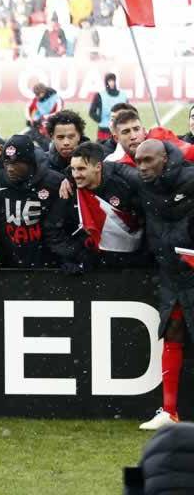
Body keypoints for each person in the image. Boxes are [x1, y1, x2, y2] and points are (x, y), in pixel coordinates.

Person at [110, 140, 194, 430]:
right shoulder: (144, 181)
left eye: (148, 161)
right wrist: (72, 178)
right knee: (172, 331)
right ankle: (169, 411)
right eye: (138, 161)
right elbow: (109, 171)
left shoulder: (190, 177)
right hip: (173, 274)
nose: (142, 167)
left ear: (164, 159)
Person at [0, 134, 79, 271]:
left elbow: (66, 225)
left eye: (16, 163)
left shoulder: (54, 183)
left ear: (29, 163)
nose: (10, 168)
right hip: (6, 265)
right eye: (7, 163)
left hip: (47, 265)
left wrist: (67, 257)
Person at [67, 141, 146, 269]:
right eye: (72, 169)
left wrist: (142, 256)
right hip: (94, 263)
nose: (75, 175)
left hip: (132, 260)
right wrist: (77, 256)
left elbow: (145, 219)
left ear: (98, 167)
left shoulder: (123, 185)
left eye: (81, 169)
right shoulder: (69, 189)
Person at [89, 72, 128, 142]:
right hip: (104, 130)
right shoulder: (100, 95)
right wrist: (99, 119)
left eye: (113, 80)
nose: (111, 83)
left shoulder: (123, 95)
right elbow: (92, 112)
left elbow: (128, 111)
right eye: (109, 81)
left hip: (119, 129)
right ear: (106, 82)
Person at [25, 83, 63, 149]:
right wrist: (29, 118)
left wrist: (46, 117)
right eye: (35, 95)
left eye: (38, 94)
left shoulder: (56, 98)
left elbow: (58, 112)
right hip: (39, 126)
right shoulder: (36, 99)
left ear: (43, 92)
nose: (36, 96)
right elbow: (28, 107)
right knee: (28, 135)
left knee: (47, 143)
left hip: (52, 124)